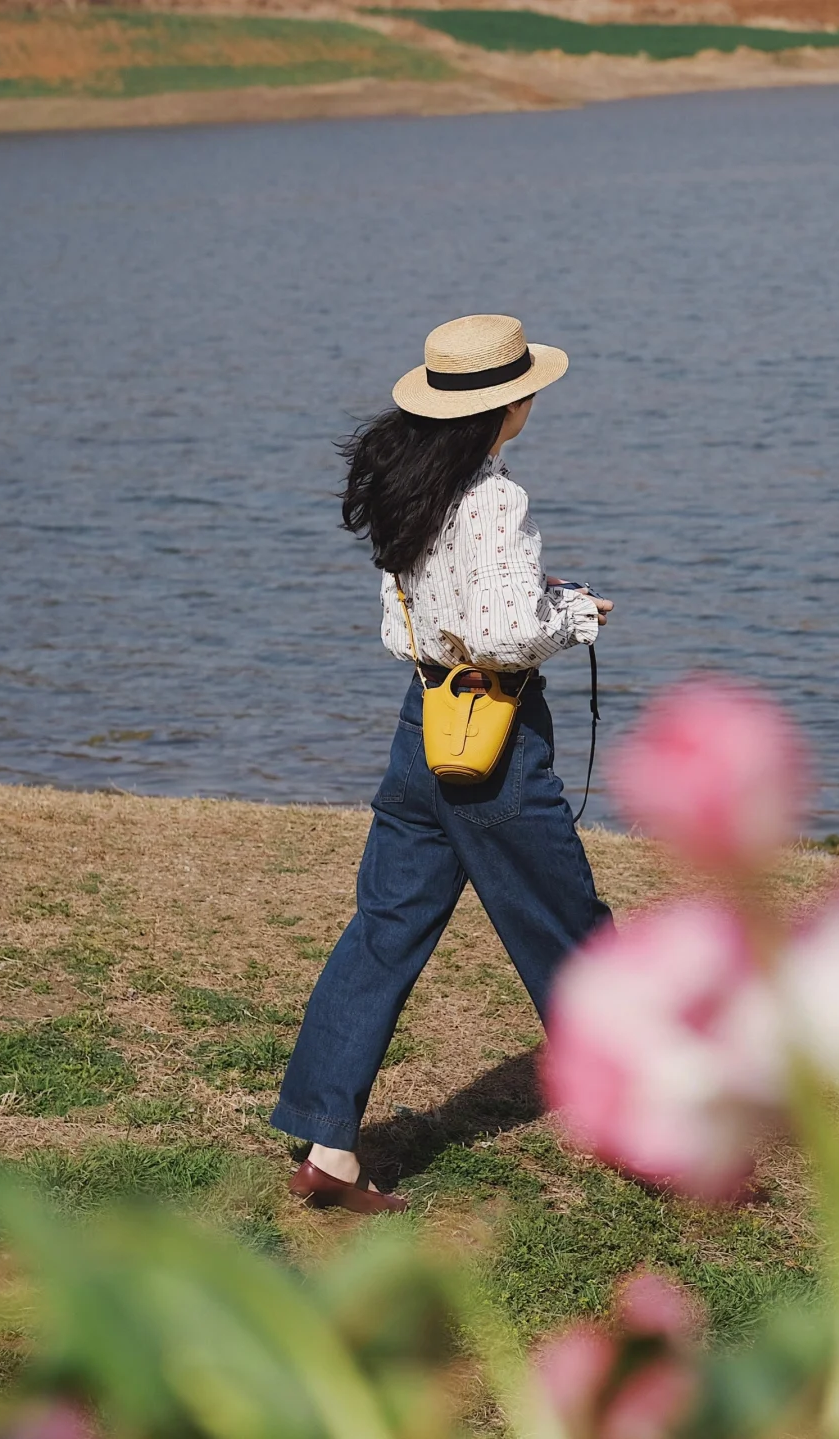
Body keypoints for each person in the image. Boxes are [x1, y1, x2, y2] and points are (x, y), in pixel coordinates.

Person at [270, 314, 614, 1213]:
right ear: (509, 403)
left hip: (422, 723)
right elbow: (504, 631)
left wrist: (537, 599)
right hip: (494, 744)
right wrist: (568, 619)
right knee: (568, 929)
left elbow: (409, 620)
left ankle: (328, 1149)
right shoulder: (493, 497)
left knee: (383, 930)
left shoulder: (409, 482)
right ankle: (645, 1120)